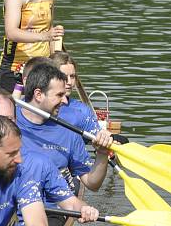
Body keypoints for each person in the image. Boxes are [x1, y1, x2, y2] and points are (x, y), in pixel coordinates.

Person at [0, 89, 99, 226]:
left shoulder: (39, 164)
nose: (2, 130)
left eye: (9, 121)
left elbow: (70, 203)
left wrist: (84, 209)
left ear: (16, 121)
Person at [17, 63, 113, 193]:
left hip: (57, 209)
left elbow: (92, 183)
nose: (65, 101)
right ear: (38, 94)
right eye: (59, 95)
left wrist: (102, 153)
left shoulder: (69, 131)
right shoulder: (8, 120)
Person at [50, 51, 100, 135]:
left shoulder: (83, 110)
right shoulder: (34, 106)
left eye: (72, 76)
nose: (69, 82)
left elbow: (98, 137)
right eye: (64, 76)